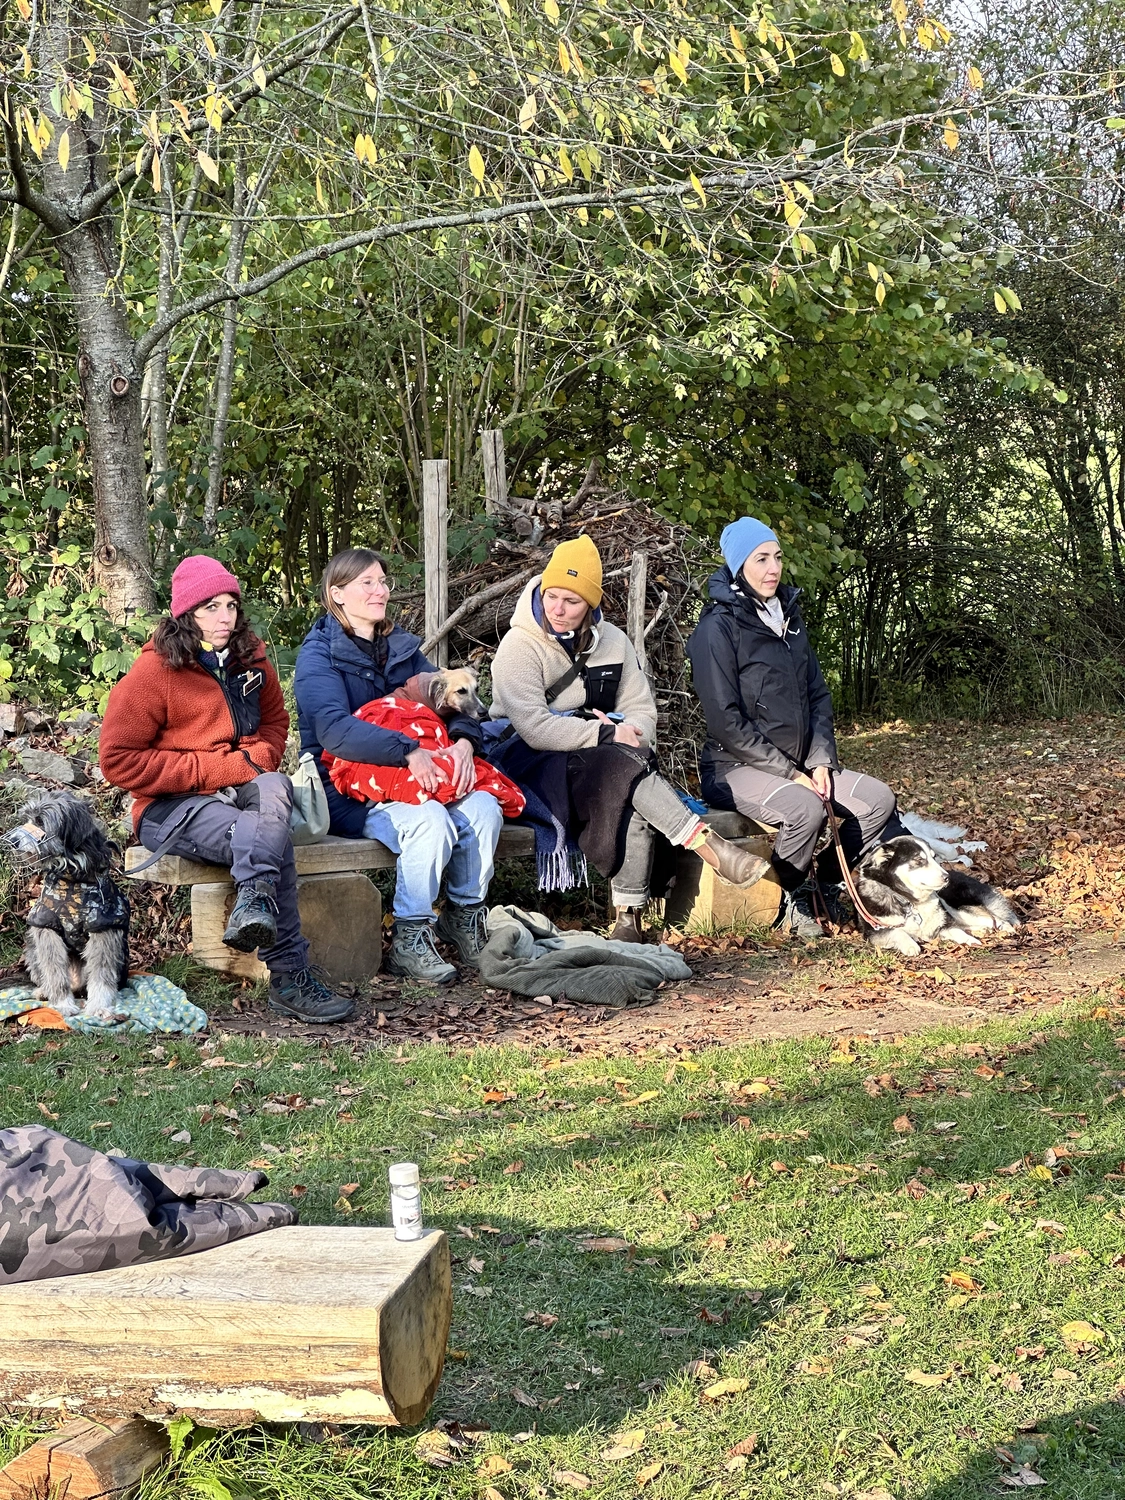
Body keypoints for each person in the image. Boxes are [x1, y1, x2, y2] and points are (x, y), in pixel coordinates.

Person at [100, 555, 354, 1022]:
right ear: (185, 615)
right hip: (171, 808)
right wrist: (219, 769)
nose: (224, 617)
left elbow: (276, 722)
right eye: (210, 607)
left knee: (275, 784)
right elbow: (118, 761)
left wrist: (256, 759)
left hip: (248, 789)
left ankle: (255, 903)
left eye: (230, 605)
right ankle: (290, 977)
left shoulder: (251, 658)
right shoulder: (152, 676)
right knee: (270, 842)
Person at [489, 535, 766, 942]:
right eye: (553, 596)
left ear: (591, 606)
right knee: (622, 768)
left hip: (602, 759)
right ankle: (706, 847)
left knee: (624, 776)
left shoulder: (615, 642)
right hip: (527, 760)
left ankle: (628, 921)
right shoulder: (519, 644)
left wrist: (630, 731)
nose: (559, 609)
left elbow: (641, 708)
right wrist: (604, 732)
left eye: (572, 601)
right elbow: (533, 727)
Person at [687, 516, 907, 941]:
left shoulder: (789, 617)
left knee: (878, 800)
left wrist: (821, 761)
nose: (773, 569)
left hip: (804, 761)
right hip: (732, 768)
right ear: (738, 566)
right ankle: (785, 898)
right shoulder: (717, 628)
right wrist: (791, 775)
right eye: (761, 559)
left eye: (777, 557)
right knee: (803, 809)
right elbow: (725, 720)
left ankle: (820, 882)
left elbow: (818, 695)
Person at [293, 548, 500, 986]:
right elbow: (334, 732)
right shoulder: (318, 657)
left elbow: (451, 697)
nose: (380, 589)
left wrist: (464, 742)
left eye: (383, 581)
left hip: (417, 777)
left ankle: (463, 918)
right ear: (338, 594)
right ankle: (410, 937)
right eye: (367, 582)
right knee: (428, 820)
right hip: (345, 789)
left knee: (484, 807)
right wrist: (407, 749)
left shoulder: (402, 649)